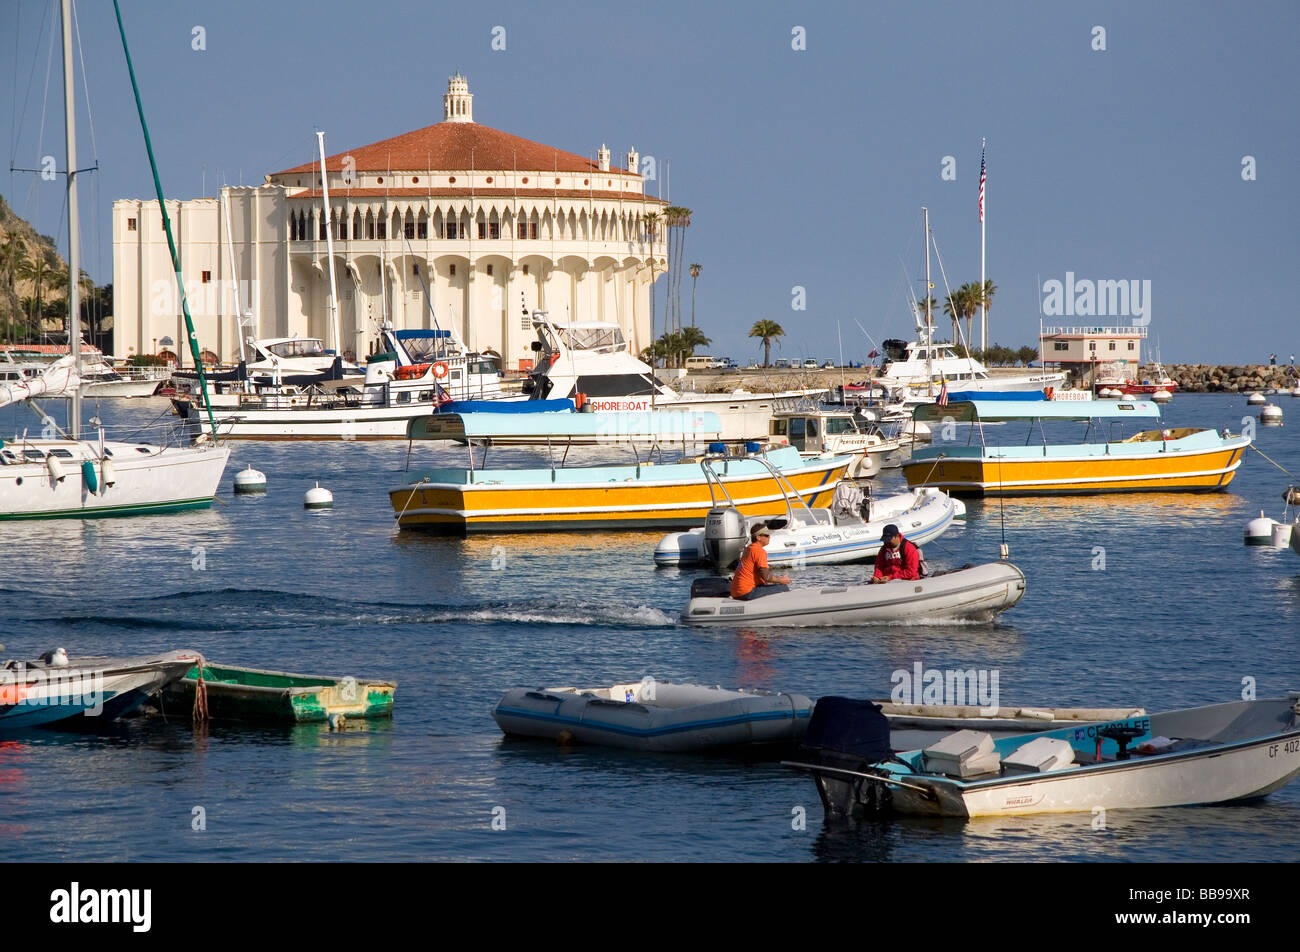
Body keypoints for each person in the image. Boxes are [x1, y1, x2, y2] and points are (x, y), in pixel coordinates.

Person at [730, 524, 791, 600]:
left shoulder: (749, 549)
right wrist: (781, 580)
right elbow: (767, 577)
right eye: (766, 535)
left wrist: (774, 581)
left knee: (770, 585)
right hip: (747, 592)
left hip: (736, 592)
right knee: (784, 587)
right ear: (758, 537)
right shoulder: (759, 551)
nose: (769, 537)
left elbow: (763, 577)